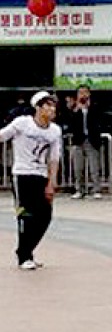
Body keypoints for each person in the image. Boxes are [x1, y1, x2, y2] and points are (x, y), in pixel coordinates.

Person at [0, 91, 62, 270]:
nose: (51, 109)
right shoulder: (22, 123)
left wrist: (52, 182)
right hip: (22, 174)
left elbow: (54, 158)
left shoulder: (54, 131)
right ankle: (24, 256)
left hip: (40, 175)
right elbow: (3, 135)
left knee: (45, 216)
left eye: (53, 105)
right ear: (38, 107)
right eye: (47, 105)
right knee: (25, 216)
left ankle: (26, 250)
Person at [66, 85, 104, 199]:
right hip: (78, 140)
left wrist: (89, 107)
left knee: (94, 167)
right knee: (78, 167)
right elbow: (69, 123)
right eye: (80, 93)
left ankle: (96, 189)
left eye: (85, 92)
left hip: (92, 139)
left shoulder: (95, 106)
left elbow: (100, 119)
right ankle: (79, 189)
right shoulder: (74, 108)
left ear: (89, 94)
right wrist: (75, 109)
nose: (83, 95)